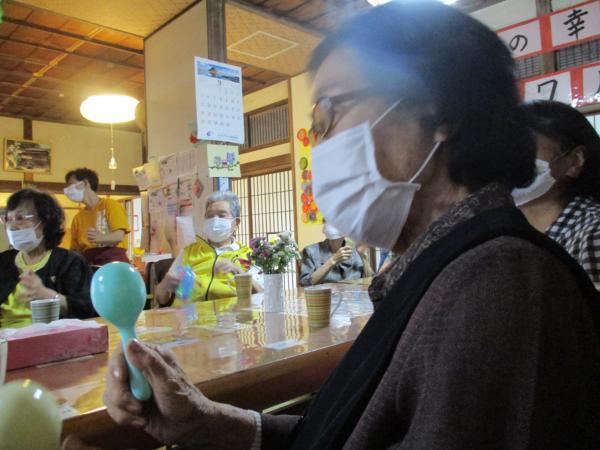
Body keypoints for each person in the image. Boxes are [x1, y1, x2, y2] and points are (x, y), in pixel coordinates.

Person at [98, 3, 599, 449]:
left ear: (439, 110)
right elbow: (346, 434)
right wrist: (205, 421)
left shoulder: (498, 283)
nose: (321, 145)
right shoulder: (441, 269)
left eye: (329, 113)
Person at [516, 101, 600, 290]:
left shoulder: (592, 237)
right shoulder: (503, 224)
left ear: (575, 161)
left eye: (524, 147)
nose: (510, 161)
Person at [0, 189, 95, 327]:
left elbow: (88, 309)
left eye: (20, 218)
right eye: (7, 219)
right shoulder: (3, 261)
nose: (12, 226)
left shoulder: (69, 262)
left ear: (45, 222)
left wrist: (47, 295)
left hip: (48, 337)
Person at [154, 191, 261, 305]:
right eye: (210, 216)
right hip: (188, 314)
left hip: (229, 314)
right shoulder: (189, 251)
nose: (215, 220)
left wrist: (239, 272)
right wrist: (165, 284)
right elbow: (161, 299)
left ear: (236, 223)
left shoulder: (248, 255)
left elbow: (262, 296)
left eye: (221, 215)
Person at [64, 167, 130, 265]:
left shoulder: (109, 204)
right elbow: (76, 250)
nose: (67, 190)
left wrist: (101, 238)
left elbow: (119, 235)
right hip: (90, 264)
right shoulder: (77, 218)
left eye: (71, 185)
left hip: (113, 263)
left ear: (85, 183)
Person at [299, 222, 372, 286]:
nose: (335, 242)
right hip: (325, 296)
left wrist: (364, 258)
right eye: (332, 240)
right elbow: (305, 283)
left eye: (338, 239)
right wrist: (333, 260)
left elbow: (369, 281)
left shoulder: (355, 251)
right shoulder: (311, 251)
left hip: (354, 296)